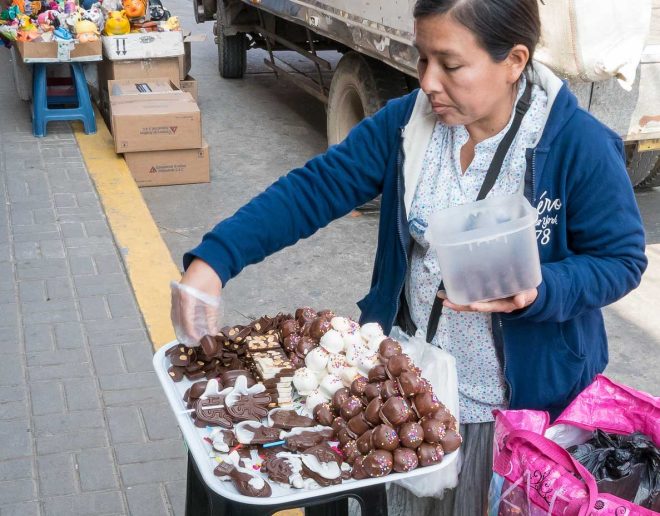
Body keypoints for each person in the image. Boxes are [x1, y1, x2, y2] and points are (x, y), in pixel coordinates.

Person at [170, 0, 647, 512]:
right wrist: (216, 259)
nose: (428, 83)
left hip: (517, 415)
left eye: (451, 64)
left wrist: (541, 291)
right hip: (407, 397)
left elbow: (621, 260)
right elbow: (313, 189)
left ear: (514, 61)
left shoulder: (577, 145)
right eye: (422, 59)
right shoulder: (409, 127)